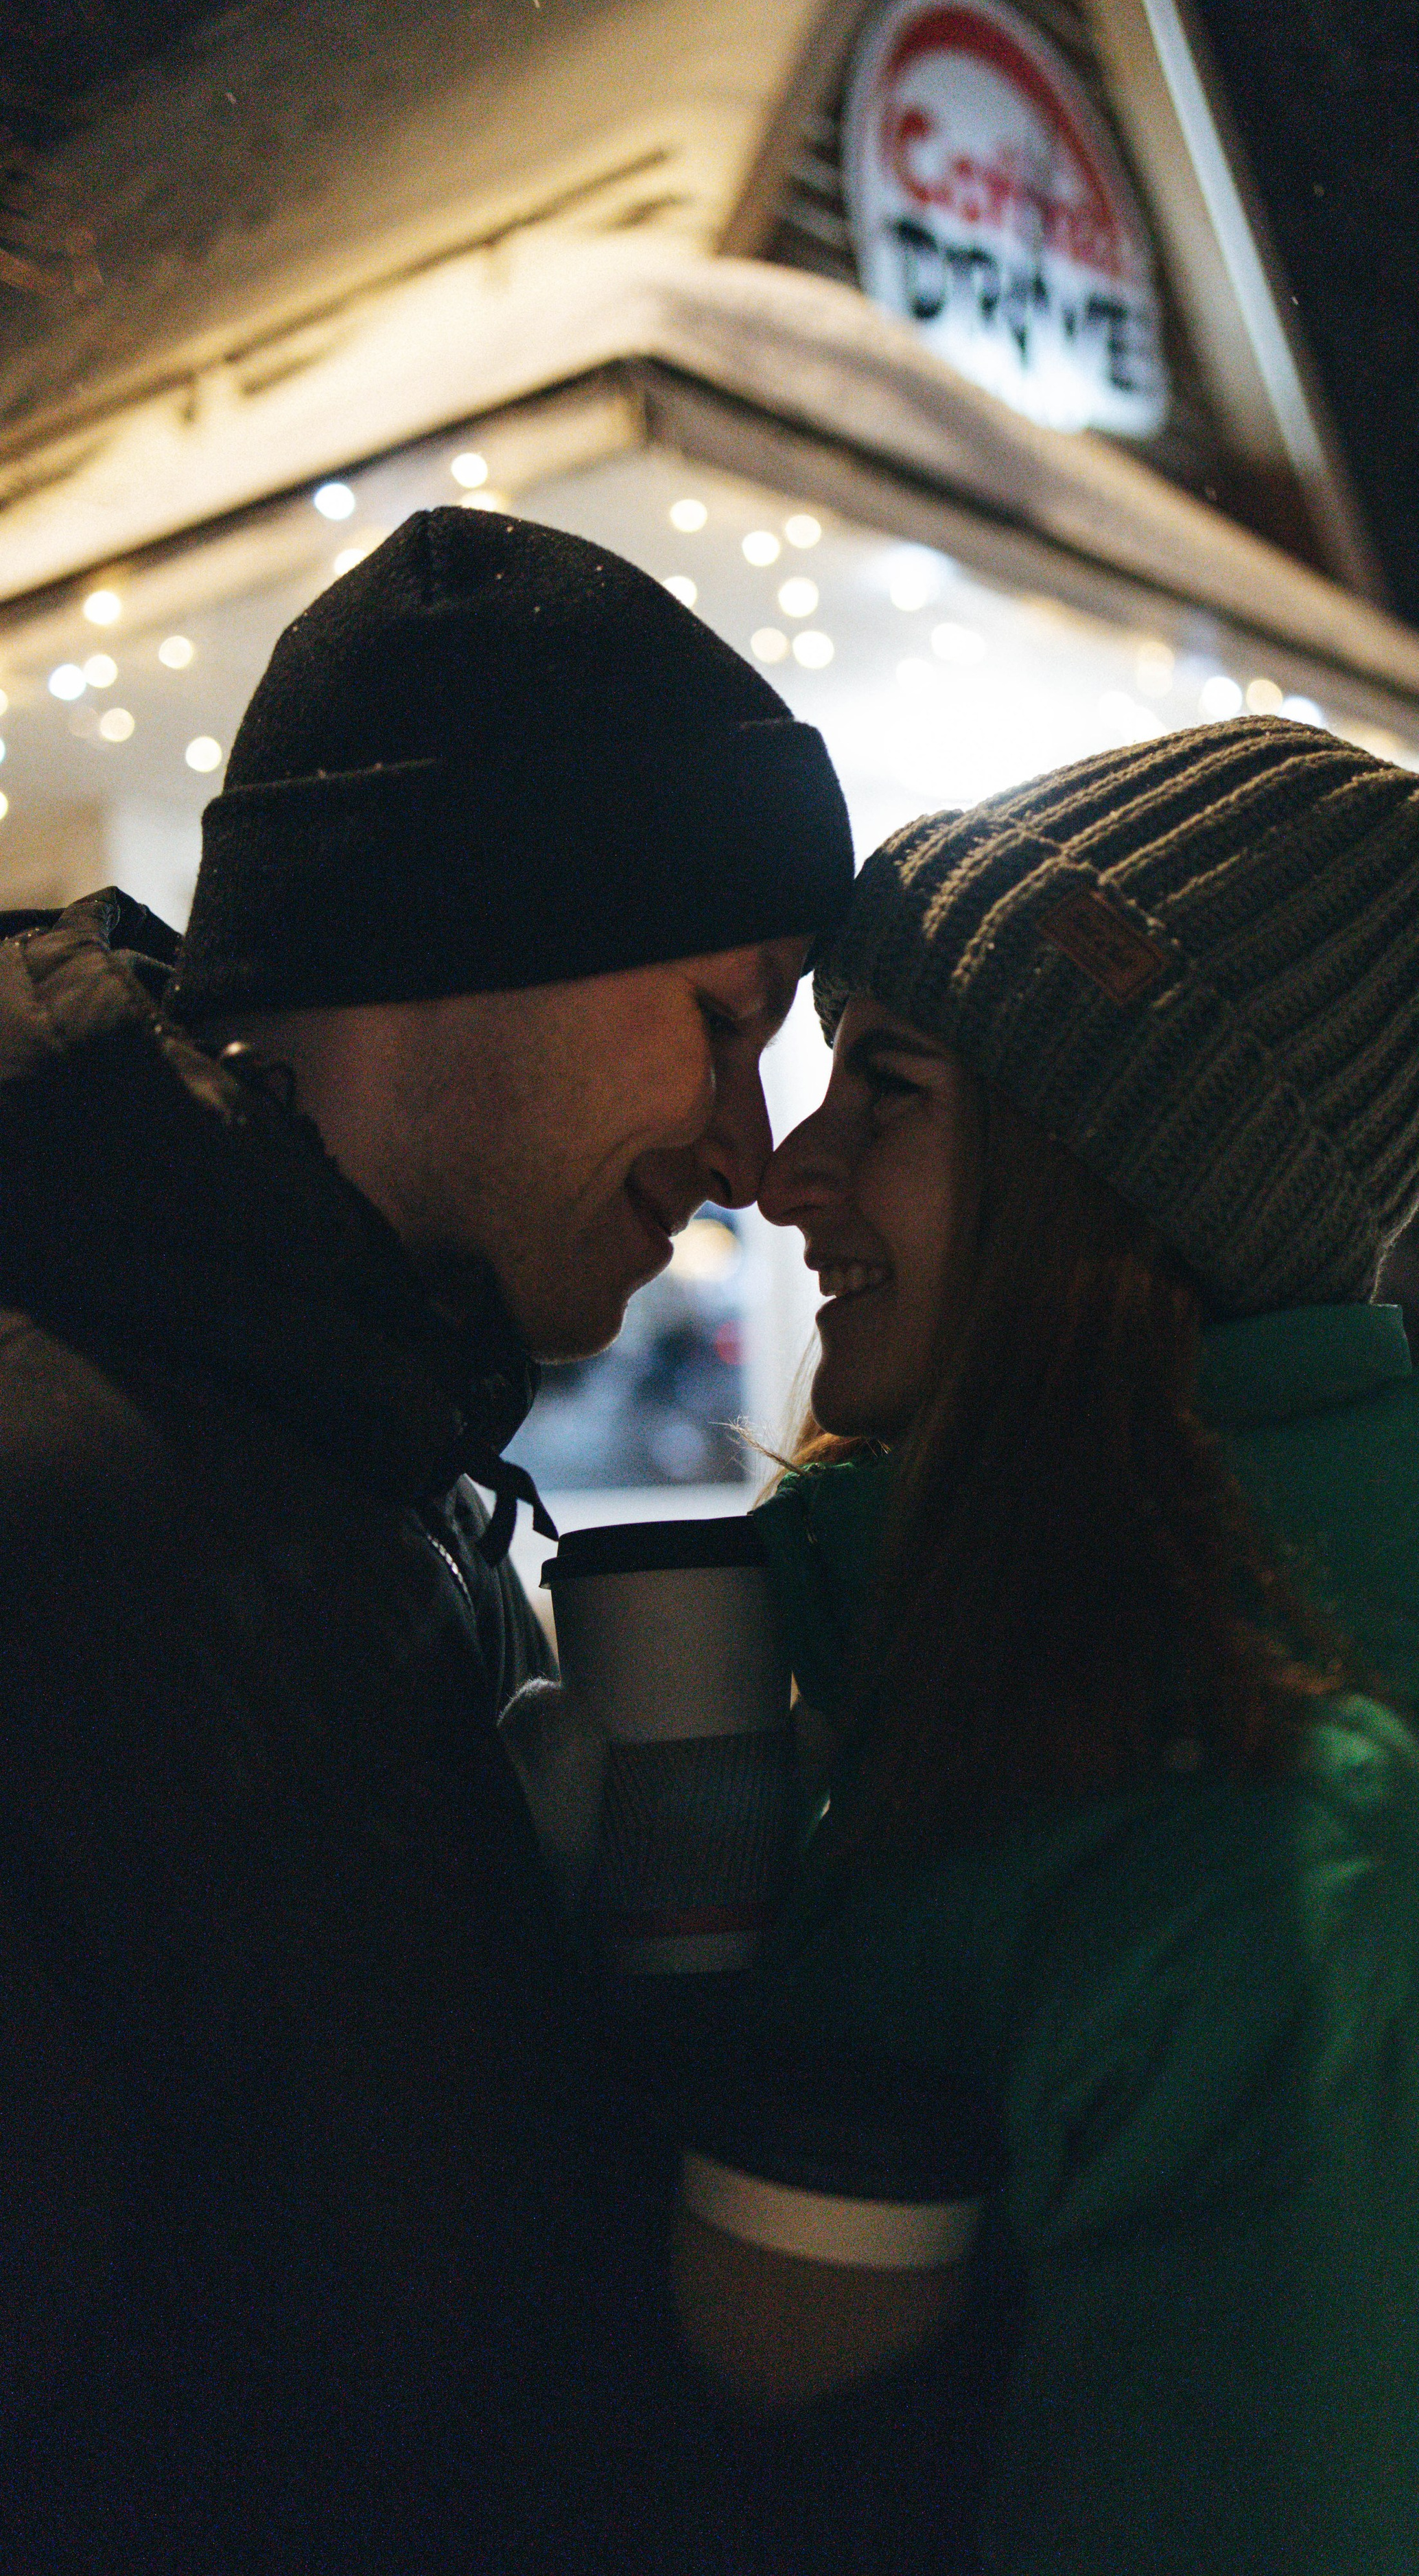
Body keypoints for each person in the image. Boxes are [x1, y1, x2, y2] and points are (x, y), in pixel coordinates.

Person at [750, 717, 1419, 2571]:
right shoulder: (1009, 1698)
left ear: (1107, 1182)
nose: (787, 1174)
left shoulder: (1297, 1889)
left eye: (886, 1090)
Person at [0, 507, 853, 2571]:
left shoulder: (369, 1458)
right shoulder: (57, 1524)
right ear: (474, 935)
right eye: (724, 1022)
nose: (751, 1157)